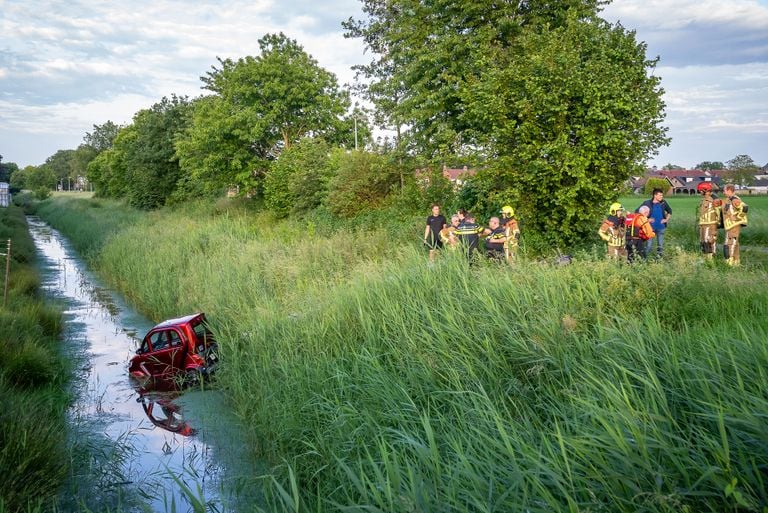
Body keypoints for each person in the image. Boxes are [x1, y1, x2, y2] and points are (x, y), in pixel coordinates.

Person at [639, 189, 672, 258]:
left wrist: (666, 219)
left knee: (660, 245)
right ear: (655, 195)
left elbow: (669, 211)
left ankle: (659, 259)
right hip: (649, 228)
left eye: (662, 195)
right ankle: (644, 258)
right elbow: (638, 212)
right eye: (660, 195)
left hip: (661, 227)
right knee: (649, 245)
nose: (661, 197)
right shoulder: (647, 203)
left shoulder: (663, 203)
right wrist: (647, 219)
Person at [721, 183, 749, 266]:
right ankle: (736, 263)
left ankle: (729, 264)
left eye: (724, 191)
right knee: (734, 244)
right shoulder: (728, 200)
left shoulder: (734, 199)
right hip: (730, 225)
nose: (723, 192)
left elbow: (745, 208)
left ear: (729, 190)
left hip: (734, 225)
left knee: (729, 243)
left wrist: (736, 217)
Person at [696, 182, 721, 258]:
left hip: (710, 224)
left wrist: (717, 222)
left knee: (709, 241)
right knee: (703, 242)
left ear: (704, 190)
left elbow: (718, 212)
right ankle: (705, 259)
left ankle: (710, 260)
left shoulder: (713, 201)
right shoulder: (703, 201)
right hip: (703, 224)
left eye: (700, 190)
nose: (700, 192)